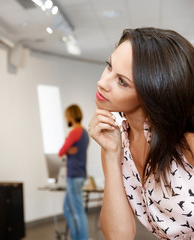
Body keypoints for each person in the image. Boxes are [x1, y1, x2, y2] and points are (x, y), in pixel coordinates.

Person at [89, 27, 194, 240]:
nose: (102, 83)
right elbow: (120, 237)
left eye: (122, 81)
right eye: (109, 66)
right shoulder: (118, 145)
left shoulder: (187, 142)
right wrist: (110, 154)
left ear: (152, 92)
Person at [58, 104, 90, 240]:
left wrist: (67, 148)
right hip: (80, 174)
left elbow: (61, 151)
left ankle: (82, 238)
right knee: (67, 209)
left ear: (70, 117)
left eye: (67, 117)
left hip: (74, 175)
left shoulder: (74, 132)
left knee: (77, 210)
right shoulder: (84, 133)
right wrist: (69, 149)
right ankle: (76, 237)